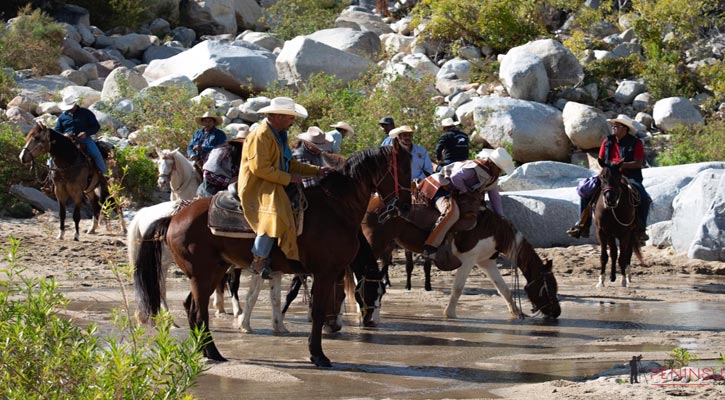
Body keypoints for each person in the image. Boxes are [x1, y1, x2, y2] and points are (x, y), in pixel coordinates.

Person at [239, 97, 332, 279]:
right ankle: (259, 258)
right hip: (259, 184)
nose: (293, 121)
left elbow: (289, 163)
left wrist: (318, 171)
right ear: (279, 116)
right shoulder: (260, 135)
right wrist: (288, 178)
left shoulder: (279, 134)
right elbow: (259, 168)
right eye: (291, 117)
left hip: (274, 179)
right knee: (274, 211)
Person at [567, 114, 651, 241]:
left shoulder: (636, 143)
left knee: (644, 198)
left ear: (625, 128)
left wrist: (621, 165)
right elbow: (601, 160)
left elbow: (638, 163)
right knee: (585, 190)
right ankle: (583, 224)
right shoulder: (607, 141)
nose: (613, 128)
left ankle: (641, 228)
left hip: (629, 175)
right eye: (613, 125)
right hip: (609, 175)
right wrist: (607, 171)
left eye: (616, 126)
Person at [421, 148, 515, 259]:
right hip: (442, 187)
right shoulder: (474, 168)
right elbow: (455, 178)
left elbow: (495, 197)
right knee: (451, 212)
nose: (499, 172)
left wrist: (500, 217)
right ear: (491, 163)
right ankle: (430, 246)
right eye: (499, 168)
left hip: (458, 194)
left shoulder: (492, 176)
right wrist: (466, 192)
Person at [54, 93, 107, 176]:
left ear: (75, 104)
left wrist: (86, 133)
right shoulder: (62, 117)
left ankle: (105, 177)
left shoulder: (86, 113)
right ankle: (50, 181)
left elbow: (96, 126)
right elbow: (56, 131)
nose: (69, 109)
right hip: (67, 140)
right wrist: (64, 135)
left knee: (96, 154)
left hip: (84, 139)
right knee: (52, 158)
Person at [196, 129, 248, 197]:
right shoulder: (221, 152)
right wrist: (229, 181)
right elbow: (208, 174)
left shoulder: (247, 154)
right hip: (211, 191)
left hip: (234, 190)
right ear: (240, 143)